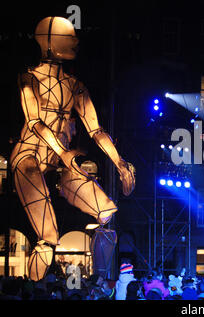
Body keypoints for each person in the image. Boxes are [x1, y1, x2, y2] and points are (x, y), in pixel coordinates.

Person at [9, 16, 135, 281]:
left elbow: (96, 130)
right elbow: (34, 122)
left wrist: (119, 162)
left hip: (60, 162)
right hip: (28, 157)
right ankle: (33, 289)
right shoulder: (28, 78)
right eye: (68, 37)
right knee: (48, 237)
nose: (76, 41)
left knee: (107, 211)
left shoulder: (76, 86)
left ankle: (99, 281)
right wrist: (63, 151)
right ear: (50, 43)